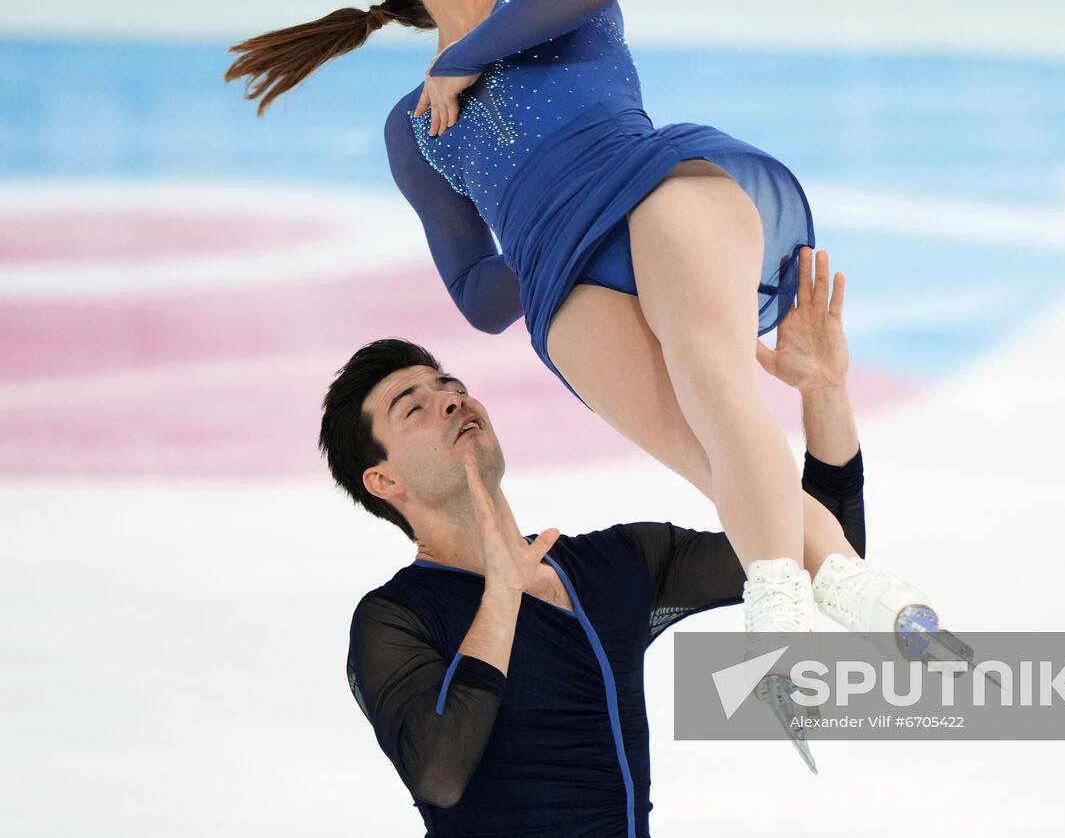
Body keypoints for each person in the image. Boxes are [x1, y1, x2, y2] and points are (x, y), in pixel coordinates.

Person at [229, 0, 953, 651]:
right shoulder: (413, 128)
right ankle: (858, 587)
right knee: (699, 452)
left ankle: (776, 614)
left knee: (710, 377)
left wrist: (460, 61)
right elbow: (478, 292)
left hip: (653, 188)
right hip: (562, 275)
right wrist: (539, 224)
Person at [326, 248, 875, 836]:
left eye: (451, 386)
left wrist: (824, 394)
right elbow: (438, 774)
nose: (452, 400)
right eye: (416, 409)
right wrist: (502, 596)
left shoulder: (617, 564)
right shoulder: (394, 619)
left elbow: (814, 554)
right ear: (384, 482)